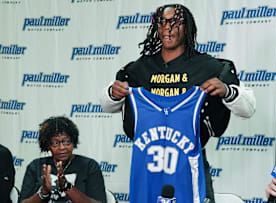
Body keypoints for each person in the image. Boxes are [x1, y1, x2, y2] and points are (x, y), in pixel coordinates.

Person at [100, 3, 256, 202]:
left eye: (176, 22)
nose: (168, 27)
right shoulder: (139, 69)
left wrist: (227, 91)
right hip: (148, 164)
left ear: (187, 27)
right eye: (162, 22)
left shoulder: (208, 67)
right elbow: (107, 104)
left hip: (191, 163)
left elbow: (248, 108)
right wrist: (113, 94)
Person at [20, 116, 106, 203]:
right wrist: (43, 192)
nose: (62, 147)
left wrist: (67, 187)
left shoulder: (89, 166)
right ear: (48, 146)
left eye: (67, 142)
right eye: (55, 143)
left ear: (73, 142)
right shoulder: (36, 166)